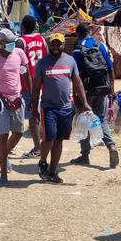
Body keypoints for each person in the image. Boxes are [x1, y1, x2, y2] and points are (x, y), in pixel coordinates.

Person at [0, 28, 33, 186]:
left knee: (18, 133)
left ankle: (2, 155)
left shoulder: (19, 54)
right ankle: (3, 174)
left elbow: (26, 75)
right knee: (3, 136)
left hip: (17, 99)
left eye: (13, 43)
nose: (12, 45)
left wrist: (32, 98)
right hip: (0, 101)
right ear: (1, 43)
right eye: (9, 43)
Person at [35, 33, 87, 184]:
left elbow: (78, 83)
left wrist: (84, 103)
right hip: (48, 107)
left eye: (59, 44)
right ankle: (43, 162)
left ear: (64, 45)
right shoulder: (42, 63)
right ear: (49, 45)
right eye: (53, 44)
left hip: (65, 108)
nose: (56, 47)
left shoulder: (70, 61)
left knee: (59, 140)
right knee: (49, 137)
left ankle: (52, 171)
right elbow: (35, 87)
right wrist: (33, 108)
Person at [69, 24, 119, 169]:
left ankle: (85, 155)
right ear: (90, 32)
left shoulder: (78, 49)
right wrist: (112, 89)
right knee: (101, 119)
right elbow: (110, 69)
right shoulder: (100, 45)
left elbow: (75, 76)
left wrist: (76, 95)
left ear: (78, 34)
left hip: (86, 91)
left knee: (83, 121)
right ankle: (111, 146)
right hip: (103, 88)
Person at [17, 15, 48, 159]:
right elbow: (47, 58)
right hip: (42, 82)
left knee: (32, 117)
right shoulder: (41, 39)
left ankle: (37, 148)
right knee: (38, 114)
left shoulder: (21, 41)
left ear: (23, 26)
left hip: (28, 84)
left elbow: (20, 66)